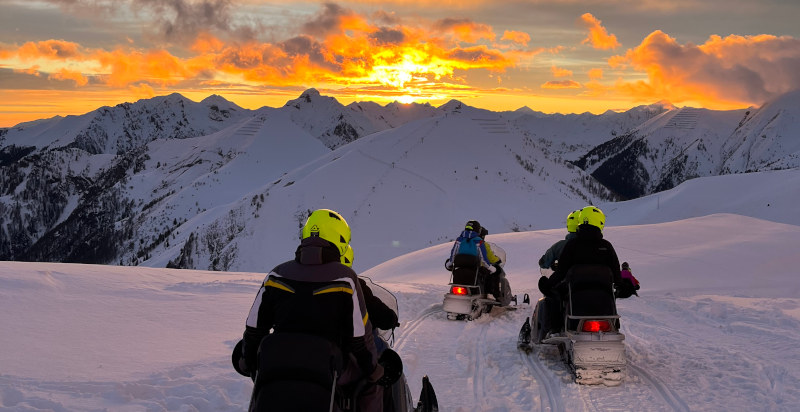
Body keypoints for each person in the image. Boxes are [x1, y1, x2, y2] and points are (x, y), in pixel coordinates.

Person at [239, 209, 385, 411]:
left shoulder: (276, 275)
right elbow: (359, 337)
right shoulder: (346, 278)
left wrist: (247, 360)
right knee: (370, 385)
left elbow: (254, 327)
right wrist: (372, 370)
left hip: (278, 360)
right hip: (327, 364)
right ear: (340, 238)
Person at [537, 205, 623, 333]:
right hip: (603, 292)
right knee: (611, 295)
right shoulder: (606, 246)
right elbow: (617, 274)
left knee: (555, 296)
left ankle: (555, 328)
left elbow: (561, 272)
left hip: (575, 291)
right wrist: (623, 286)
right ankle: (613, 324)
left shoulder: (571, 246)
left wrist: (547, 284)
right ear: (600, 222)